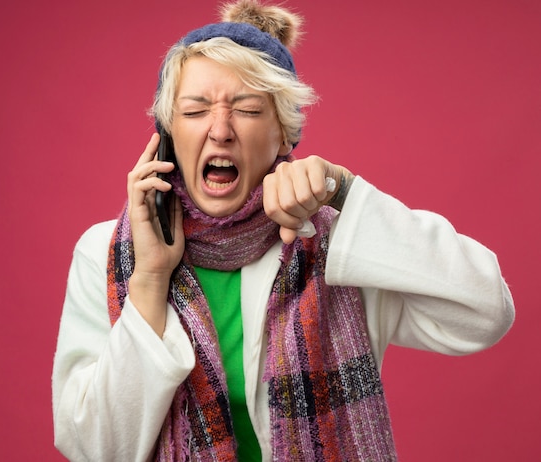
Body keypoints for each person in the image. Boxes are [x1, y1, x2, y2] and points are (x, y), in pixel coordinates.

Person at [51, 1, 515, 460]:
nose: (220, 131)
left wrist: (346, 194)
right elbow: (96, 448)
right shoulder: (106, 254)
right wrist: (150, 280)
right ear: (167, 133)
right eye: (194, 112)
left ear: (285, 135)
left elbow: (485, 312)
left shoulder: (338, 243)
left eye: (248, 110)